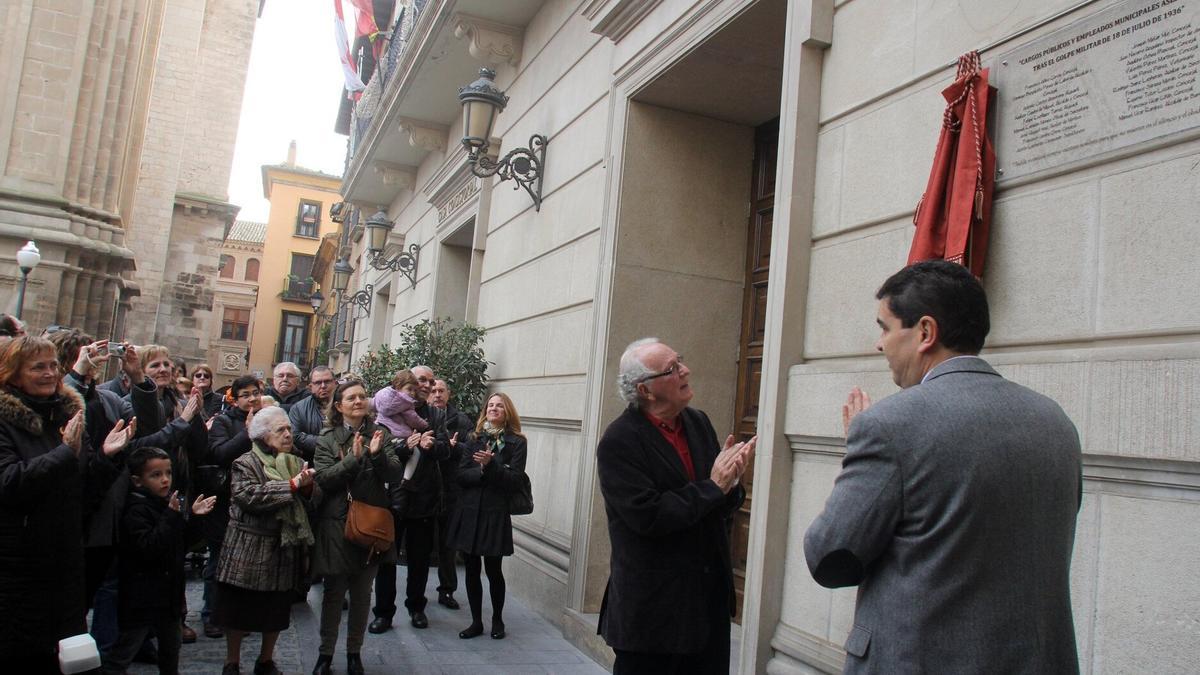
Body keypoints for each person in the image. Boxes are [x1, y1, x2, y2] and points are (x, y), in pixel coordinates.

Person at [803, 260, 1083, 673]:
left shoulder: (889, 426)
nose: (878, 344)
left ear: (925, 333)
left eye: (884, 327)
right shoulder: (1056, 421)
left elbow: (828, 558)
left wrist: (856, 459)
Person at [596, 338, 755, 675]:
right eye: (671, 369)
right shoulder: (619, 441)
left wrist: (732, 483)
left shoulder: (697, 422)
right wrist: (714, 486)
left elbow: (716, 507)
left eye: (679, 360)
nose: (685, 370)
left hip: (707, 606)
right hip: (653, 616)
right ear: (645, 390)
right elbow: (649, 516)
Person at [0, 335, 136, 672]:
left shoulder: (65, 413)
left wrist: (106, 458)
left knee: (66, 655)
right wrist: (63, 454)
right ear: (13, 374)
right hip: (18, 564)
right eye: (38, 367)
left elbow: (83, 491)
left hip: (66, 560)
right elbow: (9, 483)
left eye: (53, 366)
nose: (49, 374)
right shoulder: (5, 421)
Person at [214, 406, 317, 675]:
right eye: (280, 430)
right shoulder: (245, 462)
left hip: (281, 547)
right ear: (261, 435)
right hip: (248, 548)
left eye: (289, 429)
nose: (287, 434)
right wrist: (292, 486)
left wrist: (307, 489)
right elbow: (248, 496)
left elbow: (306, 503)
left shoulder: (295, 460)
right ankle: (232, 662)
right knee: (237, 611)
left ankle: (265, 660)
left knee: (275, 611)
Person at [311, 380, 403, 675]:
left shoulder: (381, 433)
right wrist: (355, 458)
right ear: (339, 406)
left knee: (363, 595)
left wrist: (376, 455)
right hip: (337, 524)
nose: (358, 401)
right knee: (334, 594)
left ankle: (354, 653)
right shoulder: (326, 438)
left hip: (370, 524)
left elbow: (395, 474)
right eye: (351, 398)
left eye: (363, 396)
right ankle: (325, 654)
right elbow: (325, 478)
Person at [119, 343, 209, 643]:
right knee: (148, 560)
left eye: (167, 364)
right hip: (143, 495)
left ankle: (175, 619)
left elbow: (199, 447)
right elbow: (142, 447)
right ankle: (140, 633)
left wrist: (194, 417)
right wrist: (183, 422)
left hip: (179, 486)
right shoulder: (131, 403)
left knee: (176, 557)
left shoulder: (179, 400)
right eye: (155, 365)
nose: (164, 370)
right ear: (141, 371)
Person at [102, 447, 216, 675]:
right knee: (124, 651)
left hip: (169, 596)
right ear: (137, 481)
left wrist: (193, 519)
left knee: (171, 651)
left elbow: (180, 543)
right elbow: (150, 546)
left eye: (168, 473)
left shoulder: (165, 504)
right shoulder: (136, 510)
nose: (165, 480)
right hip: (142, 598)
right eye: (156, 475)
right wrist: (173, 517)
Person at [369, 365, 449, 633]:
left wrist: (431, 445)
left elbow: (445, 451)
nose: (424, 385)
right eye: (419, 380)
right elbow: (379, 451)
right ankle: (383, 612)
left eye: (428, 380)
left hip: (424, 497)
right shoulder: (386, 410)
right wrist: (405, 447)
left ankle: (416, 608)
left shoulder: (436, 415)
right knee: (387, 557)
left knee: (419, 558)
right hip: (392, 496)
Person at [445, 393, 529, 640]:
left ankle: (497, 619)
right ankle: (476, 621)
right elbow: (461, 475)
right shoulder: (474, 438)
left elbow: (515, 480)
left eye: (499, 405)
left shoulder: (517, 442)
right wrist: (481, 470)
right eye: (490, 405)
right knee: (471, 569)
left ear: (507, 411)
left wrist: (492, 466)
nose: (493, 408)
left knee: (493, 570)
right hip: (470, 512)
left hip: (495, 512)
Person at [200, 375, 264, 640]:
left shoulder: (267, 419)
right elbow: (219, 454)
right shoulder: (224, 421)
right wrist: (247, 434)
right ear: (234, 399)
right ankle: (211, 614)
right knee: (218, 561)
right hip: (225, 501)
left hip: (254, 501)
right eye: (246, 394)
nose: (252, 398)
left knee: (245, 563)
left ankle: (236, 616)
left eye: (255, 393)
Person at [429, 378, 469, 609]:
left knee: (448, 543)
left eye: (441, 391)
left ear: (448, 394)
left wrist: (455, 448)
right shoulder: (421, 417)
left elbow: (472, 449)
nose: (437, 394)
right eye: (433, 391)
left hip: (452, 490)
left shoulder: (461, 420)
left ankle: (447, 590)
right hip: (426, 488)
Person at [289, 365, 335, 461]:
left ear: (334, 383)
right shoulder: (298, 409)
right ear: (310, 387)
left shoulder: (346, 404)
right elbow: (295, 436)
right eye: (318, 383)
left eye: (327, 381)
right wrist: (328, 443)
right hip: (310, 463)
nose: (323, 386)